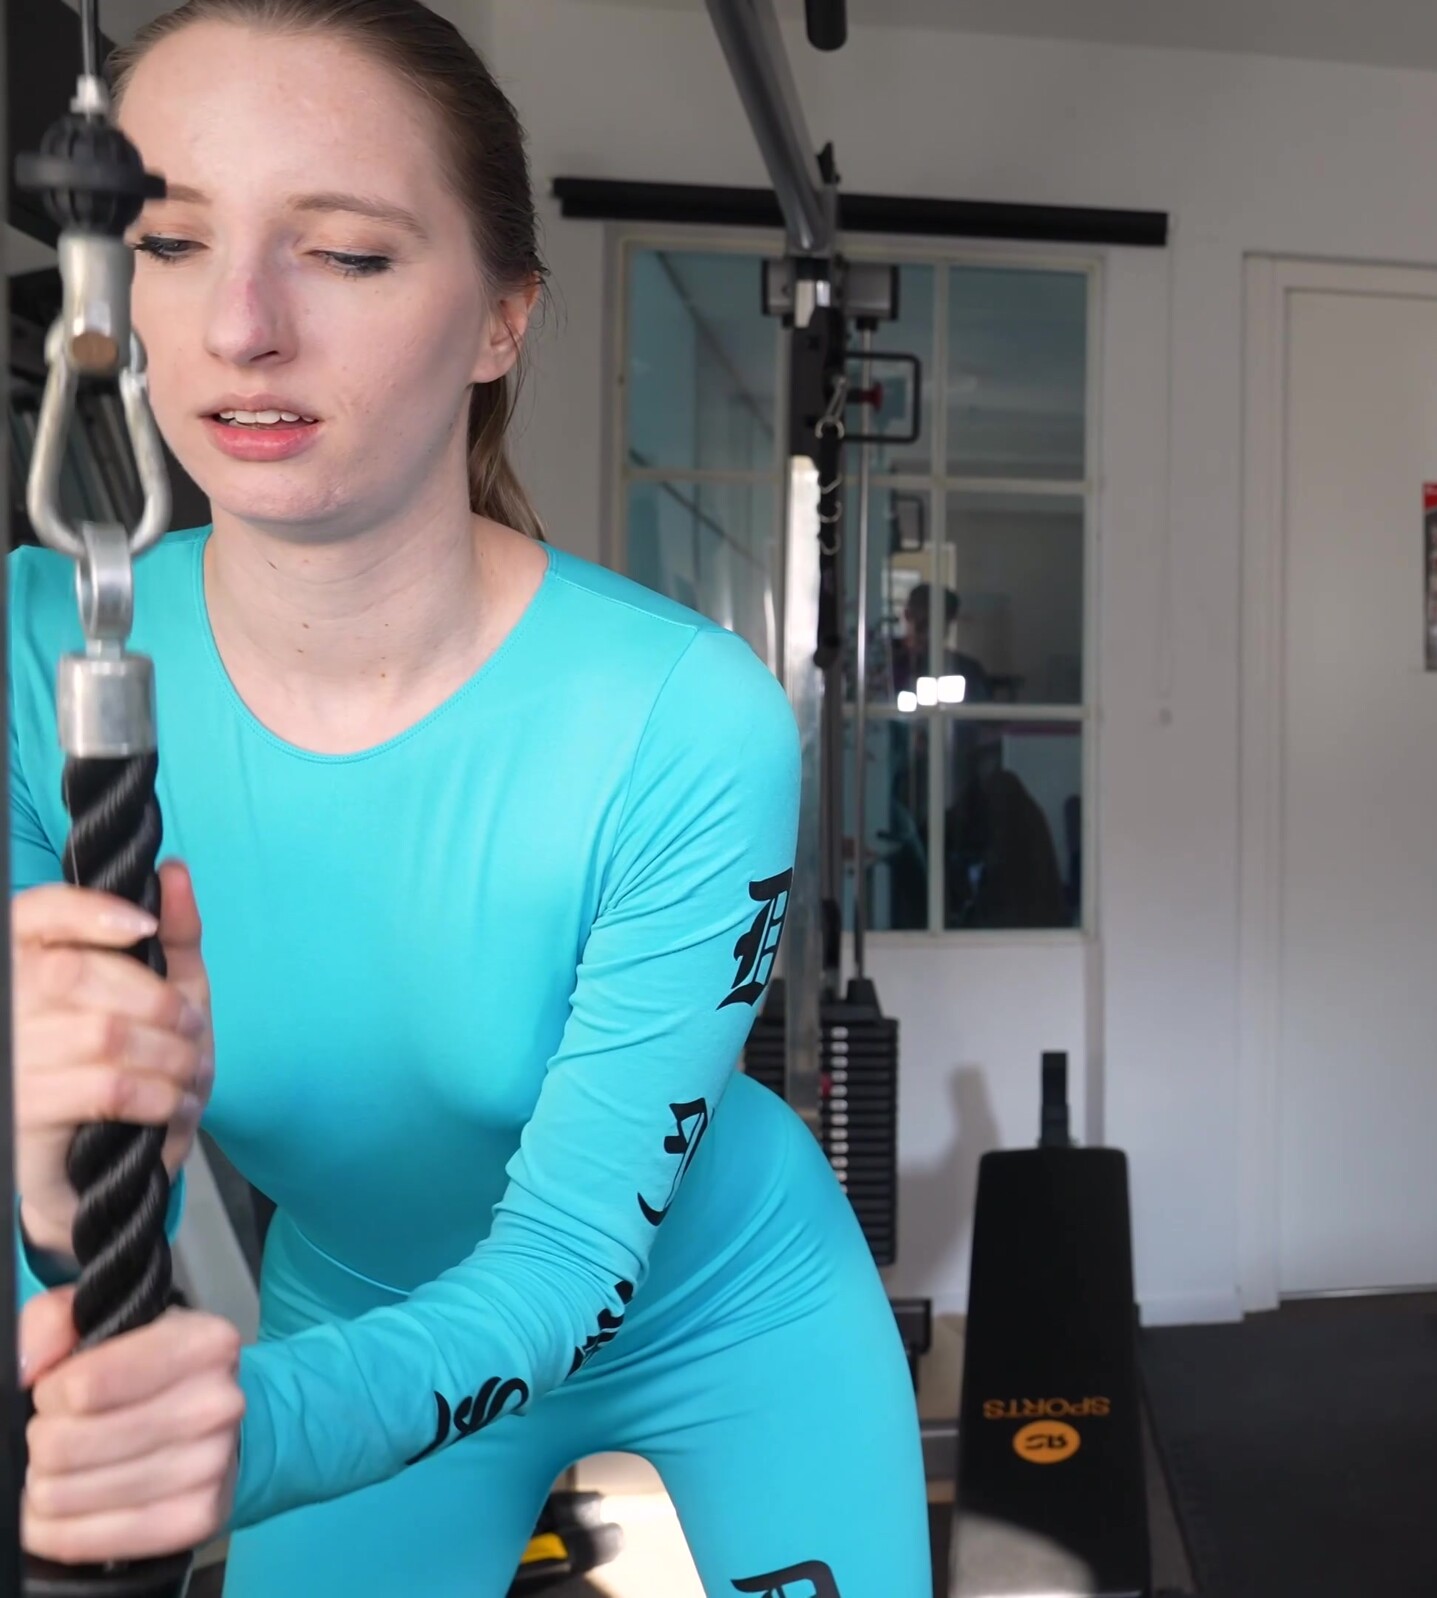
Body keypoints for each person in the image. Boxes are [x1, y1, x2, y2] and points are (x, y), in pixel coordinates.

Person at [9, 2, 927, 1592]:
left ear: (502, 318)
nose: (240, 326)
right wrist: (58, 1236)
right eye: (171, 241)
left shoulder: (683, 716)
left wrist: (250, 1434)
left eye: (347, 254)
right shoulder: (45, 659)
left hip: (726, 1312)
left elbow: (562, 1263)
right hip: (347, 1313)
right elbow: (51, 1193)